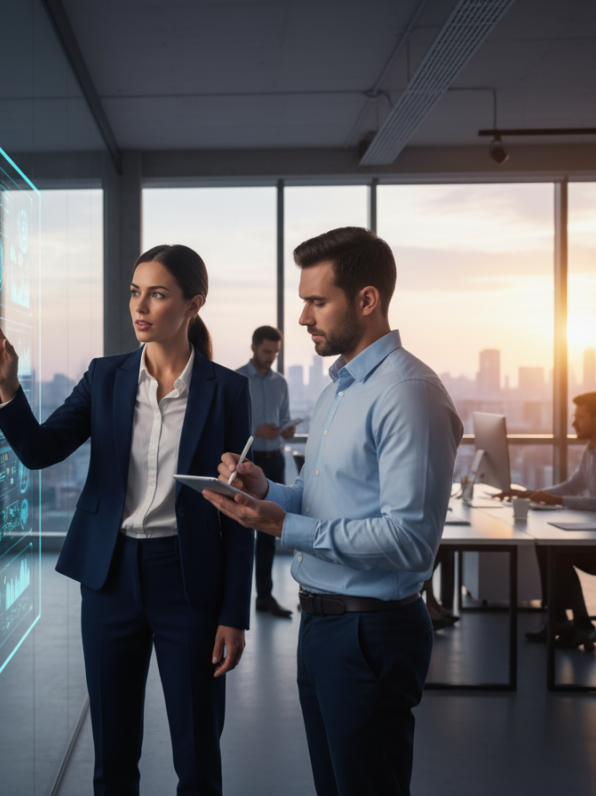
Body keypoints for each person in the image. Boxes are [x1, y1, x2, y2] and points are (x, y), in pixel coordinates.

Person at [0, 244, 254, 796]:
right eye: (135, 291)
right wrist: (9, 386)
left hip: (189, 580)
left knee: (199, 760)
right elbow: (40, 450)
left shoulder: (227, 389)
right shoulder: (105, 378)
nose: (141, 305)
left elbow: (240, 511)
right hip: (110, 578)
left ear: (193, 303)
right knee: (112, 761)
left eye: (157, 293)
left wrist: (234, 613)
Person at [203, 227, 462, 796]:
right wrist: (266, 488)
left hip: (371, 631)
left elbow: (409, 540)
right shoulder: (339, 389)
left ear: (366, 301)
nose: (302, 318)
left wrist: (280, 524)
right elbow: (327, 500)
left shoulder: (407, 393)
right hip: (324, 624)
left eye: (316, 301)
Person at [498, 392, 596, 650]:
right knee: (545, 546)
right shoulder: (592, 450)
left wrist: (555, 500)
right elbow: (573, 485)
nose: (573, 423)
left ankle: (580, 625)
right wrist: (532, 494)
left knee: (559, 551)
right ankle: (561, 622)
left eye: (579, 417)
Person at [235, 326, 295, 617]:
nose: (271, 357)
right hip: (248, 462)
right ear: (254, 347)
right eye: (267, 351)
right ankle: (233, 600)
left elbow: (283, 419)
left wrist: (286, 430)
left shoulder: (280, 383)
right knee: (238, 528)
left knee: (269, 529)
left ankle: (265, 596)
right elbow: (226, 425)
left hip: (274, 459)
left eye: (276, 353)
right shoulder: (236, 380)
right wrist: (253, 431)